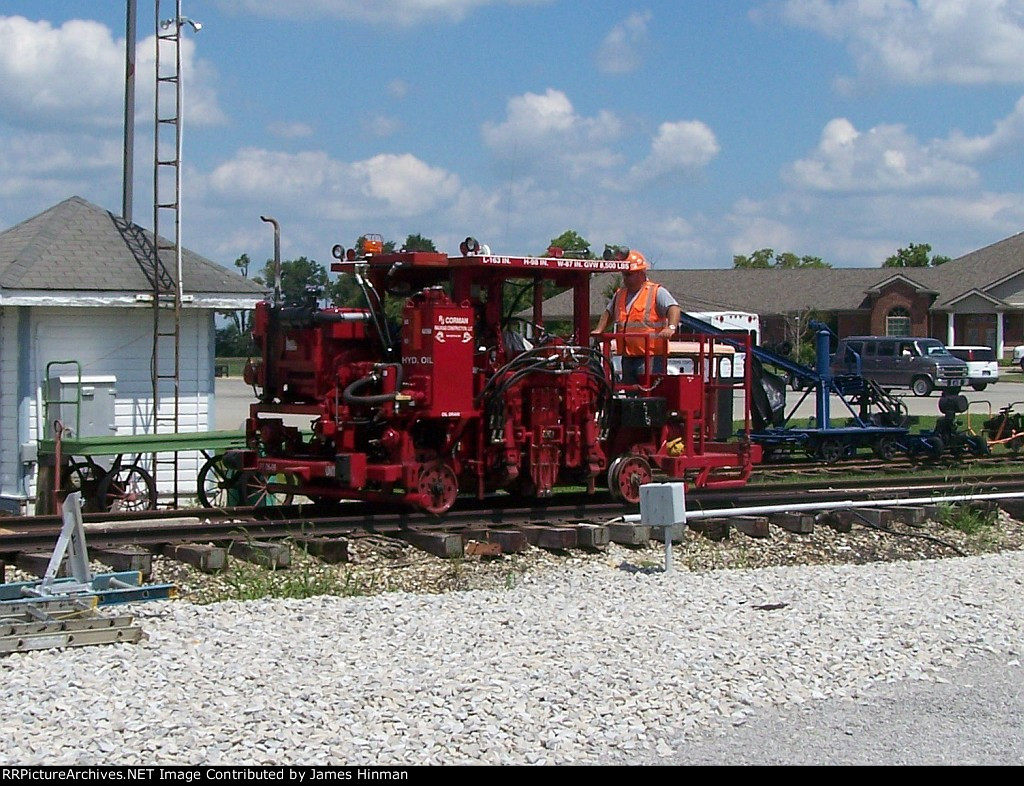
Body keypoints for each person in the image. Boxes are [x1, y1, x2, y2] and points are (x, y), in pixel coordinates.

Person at [591, 251, 681, 384]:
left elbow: (673, 308)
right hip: (627, 356)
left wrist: (671, 327)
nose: (624, 278)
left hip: (650, 356)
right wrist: (600, 329)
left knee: (647, 392)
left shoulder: (656, 291)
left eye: (628, 274)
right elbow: (609, 312)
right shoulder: (620, 294)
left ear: (641, 273)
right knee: (630, 393)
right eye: (623, 274)